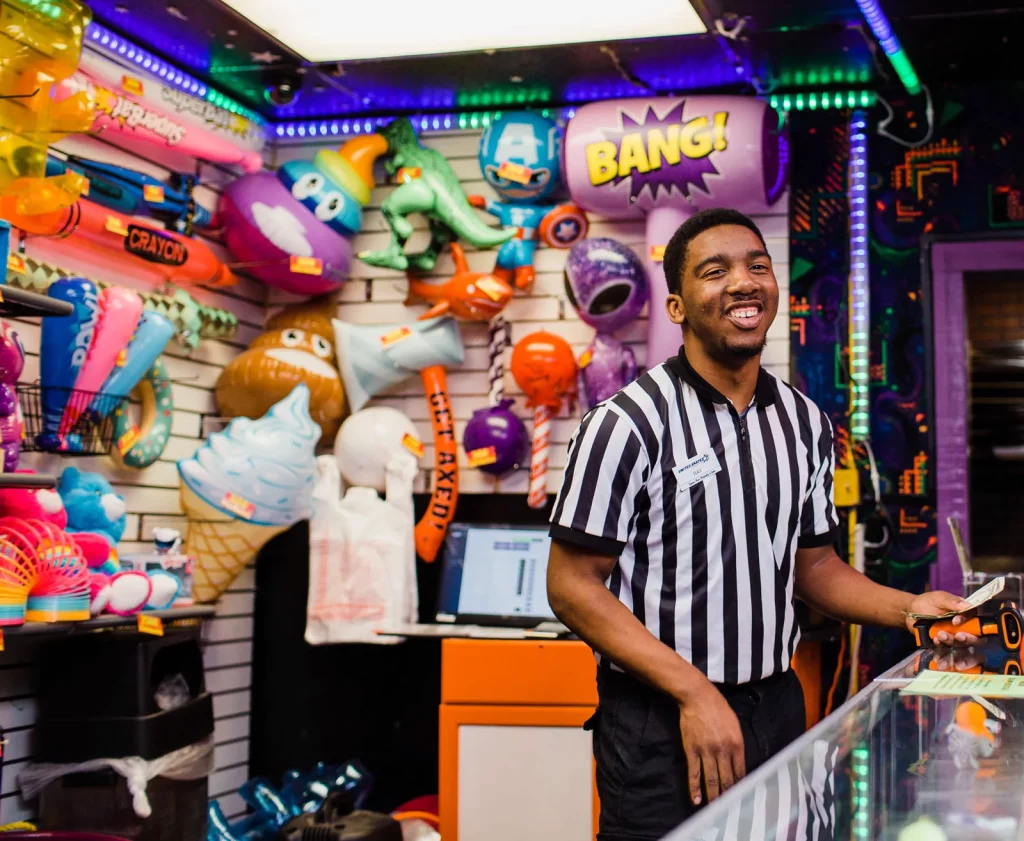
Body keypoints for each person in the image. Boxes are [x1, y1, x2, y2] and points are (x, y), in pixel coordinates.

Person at [546, 208, 976, 841]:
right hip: (660, 719)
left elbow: (816, 566)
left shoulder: (803, 422)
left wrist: (913, 609)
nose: (743, 282)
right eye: (714, 271)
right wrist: (694, 693)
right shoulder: (625, 423)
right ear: (677, 307)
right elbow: (572, 585)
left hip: (775, 707)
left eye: (757, 266)